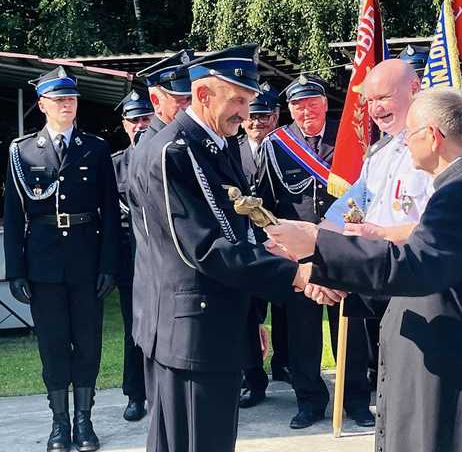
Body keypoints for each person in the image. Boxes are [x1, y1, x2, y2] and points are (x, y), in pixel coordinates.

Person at [266, 87, 462, 452]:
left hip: (455, 368)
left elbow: (417, 267)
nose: (404, 143)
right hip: (447, 353)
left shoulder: (460, 192)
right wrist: (336, 275)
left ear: (432, 135)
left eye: (409, 133)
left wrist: (318, 244)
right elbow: (427, 261)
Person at [128, 43, 307, 452]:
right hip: (190, 331)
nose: (246, 112)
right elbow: (205, 248)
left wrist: (250, 319)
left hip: (213, 323)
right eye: (239, 100)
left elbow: (237, 228)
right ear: (204, 95)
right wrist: (295, 274)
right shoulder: (175, 152)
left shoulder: (212, 146)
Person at [4, 66, 120, 452]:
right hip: (44, 264)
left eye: (71, 98)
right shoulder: (22, 151)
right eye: (58, 100)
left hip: (87, 261)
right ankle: (59, 424)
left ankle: (84, 423)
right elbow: (13, 215)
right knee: (53, 344)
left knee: (87, 343)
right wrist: (16, 270)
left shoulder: (96, 148)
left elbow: (109, 212)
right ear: (42, 105)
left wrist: (109, 265)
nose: (67, 105)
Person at [256, 75, 374, 428]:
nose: (305, 110)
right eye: (297, 105)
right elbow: (265, 200)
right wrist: (277, 246)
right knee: (302, 333)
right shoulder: (275, 145)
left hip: (343, 248)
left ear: (325, 103)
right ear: (288, 109)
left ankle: (355, 400)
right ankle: (309, 401)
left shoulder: (348, 138)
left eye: (312, 102)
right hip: (298, 255)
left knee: (350, 329)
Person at [322, 59, 434, 388]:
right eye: (369, 101)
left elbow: (437, 228)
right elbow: (346, 208)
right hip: (380, 281)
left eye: (383, 97)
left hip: (419, 283)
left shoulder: (435, 150)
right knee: (390, 380)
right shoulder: (378, 154)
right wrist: (315, 250)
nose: (375, 109)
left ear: (414, 90)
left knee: (418, 384)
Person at [128, 49, 194, 412]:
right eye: (179, 99)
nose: (187, 106)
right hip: (170, 303)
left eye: (190, 97)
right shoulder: (165, 149)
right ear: (155, 99)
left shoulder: (166, 143)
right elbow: (189, 241)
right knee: (174, 418)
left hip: (163, 304)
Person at [229, 83, 290, 408]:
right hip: (248, 245)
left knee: (288, 313)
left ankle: (286, 364)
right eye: (251, 117)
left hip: (284, 243)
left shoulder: (289, 147)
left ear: (276, 116)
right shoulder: (230, 150)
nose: (256, 123)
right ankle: (253, 378)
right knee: (248, 316)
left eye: (264, 115)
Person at [111, 90, 154, 421]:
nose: (141, 125)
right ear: (125, 125)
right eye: (134, 120)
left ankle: (161, 392)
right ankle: (135, 394)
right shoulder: (115, 165)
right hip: (131, 262)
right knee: (134, 330)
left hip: (166, 260)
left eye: (146, 118)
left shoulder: (167, 154)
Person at [135, 49, 194, 142]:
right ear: (156, 101)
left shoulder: (185, 135)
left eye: (194, 98)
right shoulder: (157, 147)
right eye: (185, 99)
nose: (192, 106)